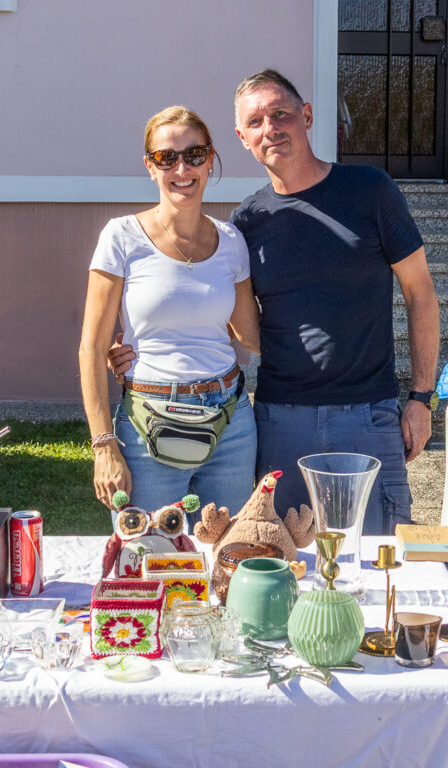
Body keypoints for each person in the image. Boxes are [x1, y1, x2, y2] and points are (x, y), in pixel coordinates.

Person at [111, 72, 440, 535]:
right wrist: (141, 347)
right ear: (242, 138)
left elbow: (420, 293)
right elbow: (225, 315)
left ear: (306, 116)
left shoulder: (370, 190)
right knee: (281, 556)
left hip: (367, 416)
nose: (270, 128)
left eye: (280, 113)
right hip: (278, 419)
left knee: (376, 558)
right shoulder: (246, 223)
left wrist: (422, 398)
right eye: (255, 121)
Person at [79, 106, 260, 520]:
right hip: (148, 422)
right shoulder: (121, 236)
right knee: (147, 553)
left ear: (210, 160)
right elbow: (90, 347)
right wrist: (103, 445)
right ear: (150, 166)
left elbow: (251, 335)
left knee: (227, 550)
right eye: (167, 157)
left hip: (231, 424)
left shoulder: (232, 241)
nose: (182, 168)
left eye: (195, 154)